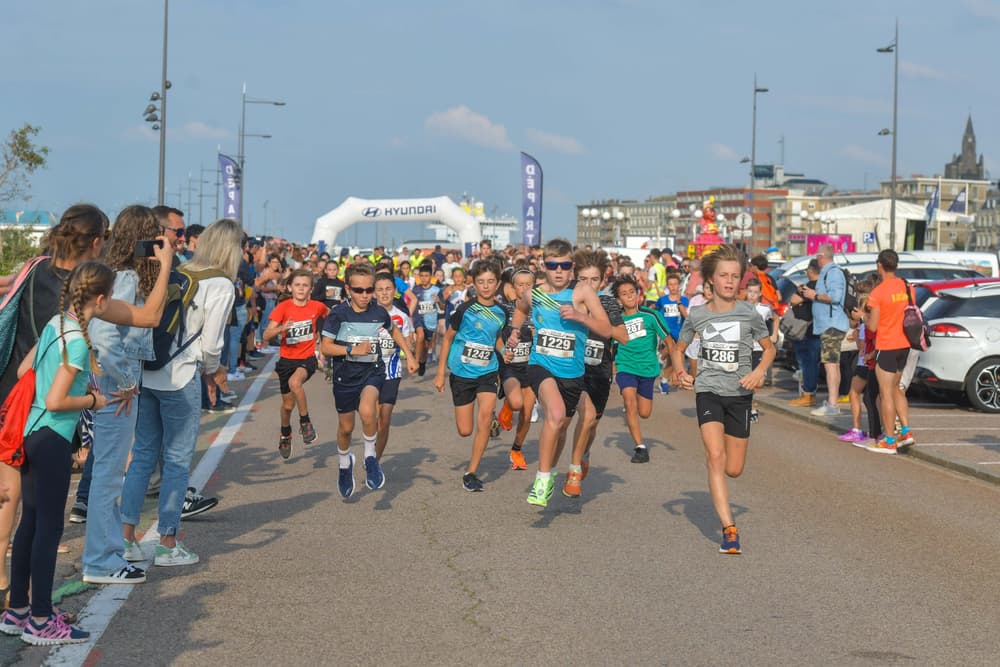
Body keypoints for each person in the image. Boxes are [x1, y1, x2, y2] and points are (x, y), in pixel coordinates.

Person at [0, 204, 172, 606]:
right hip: (54, 418)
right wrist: (164, 266)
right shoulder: (78, 310)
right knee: (44, 520)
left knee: (15, 502)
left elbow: (28, 358)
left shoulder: (37, 274)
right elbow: (148, 317)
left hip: (17, 399)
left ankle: (11, 592)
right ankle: (38, 612)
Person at [0, 261, 114, 644]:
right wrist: (93, 400)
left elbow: (22, 373)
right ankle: (42, 619)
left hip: (31, 434)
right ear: (100, 299)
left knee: (31, 523)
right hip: (51, 438)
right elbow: (56, 399)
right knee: (49, 528)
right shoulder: (77, 341)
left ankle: (17, 610)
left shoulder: (56, 324)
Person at [120, 219, 239, 568]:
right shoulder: (221, 284)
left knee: (143, 456)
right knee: (176, 460)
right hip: (182, 374)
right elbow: (213, 342)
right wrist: (214, 371)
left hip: (148, 370)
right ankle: (168, 543)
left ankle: (126, 538)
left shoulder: (179, 269)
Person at [79, 206, 175, 586]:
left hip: (110, 382)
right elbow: (102, 333)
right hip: (114, 385)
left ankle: (103, 556)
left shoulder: (117, 272)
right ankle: (101, 560)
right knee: (108, 475)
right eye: (153, 234)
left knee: (108, 472)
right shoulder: (126, 276)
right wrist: (123, 381)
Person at [671, 245, 774, 555]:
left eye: (735, 276)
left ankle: (720, 472)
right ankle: (729, 529)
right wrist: (679, 371)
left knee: (734, 469)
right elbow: (678, 349)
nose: (729, 281)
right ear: (711, 280)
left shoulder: (750, 313)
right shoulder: (698, 315)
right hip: (709, 390)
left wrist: (759, 372)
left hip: (740, 395)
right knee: (715, 457)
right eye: (723, 276)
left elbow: (769, 349)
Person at [515, 239, 611, 507]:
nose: (558, 270)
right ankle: (543, 479)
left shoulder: (582, 292)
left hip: (571, 374)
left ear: (572, 267)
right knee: (555, 415)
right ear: (543, 266)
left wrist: (582, 318)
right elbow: (520, 310)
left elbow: (605, 329)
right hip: (540, 365)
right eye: (552, 265)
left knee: (561, 424)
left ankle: (555, 470)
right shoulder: (535, 293)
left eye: (564, 265)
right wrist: (514, 333)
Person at [321, 263, 416, 498]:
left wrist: (410, 355)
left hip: (372, 371)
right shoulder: (338, 315)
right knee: (345, 428)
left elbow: (393, 331)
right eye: (358, 290)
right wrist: (352, 349)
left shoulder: (379, 312)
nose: (364, 295)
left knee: (368, 410)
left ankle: (371, 457)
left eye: (368, 290)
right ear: (348, 289)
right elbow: (325, 347)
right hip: (345, 375)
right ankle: (345, 465)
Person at [433, 260, 509, 491]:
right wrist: (440, 373)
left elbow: (496, 338)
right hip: (462, 373)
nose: (486, 287)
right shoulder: (464, 310)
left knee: (484, 417)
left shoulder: (502, 312)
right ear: (473, 283)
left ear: (497, 283)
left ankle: (472, 472)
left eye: (490, 282)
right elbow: (447, 338)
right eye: (481, 282)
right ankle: (488, 420)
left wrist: (505, 352)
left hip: (487, 371)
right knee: (465, 430)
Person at [563, 251, 627, 497]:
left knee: (591, 422)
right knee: (576, 417)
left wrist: (593, 321)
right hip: (571, 368)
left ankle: (583, 454)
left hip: (599, 370)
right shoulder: (567, 299)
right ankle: (574, 469)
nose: (588, 285)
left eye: (594, 280)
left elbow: (623, 336)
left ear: (602, 282)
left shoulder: (608, 304)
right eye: (583, 279)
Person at [262, 269, 329, 460]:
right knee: (287, 405)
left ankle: (306, 423)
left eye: (305, 285)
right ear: (290, 287)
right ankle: (285, 433)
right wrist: (282, 328)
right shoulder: (283, 308)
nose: (301, 288)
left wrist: (327, 339)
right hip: (286, 360)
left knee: (295, 383)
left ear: (311, 288)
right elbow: (266, 335)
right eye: (297, 285)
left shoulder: (317, 306)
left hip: (307, 358)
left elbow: (332, 316)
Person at [610, 274, 673, 464]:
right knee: (630, 402)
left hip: (647, 368)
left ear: (638, 294)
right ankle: (640, 447)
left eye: (632, 292)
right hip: (626, 366)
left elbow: (670, 342)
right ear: (619, 300)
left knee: (644, 412)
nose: (629, 296)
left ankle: (636, 400)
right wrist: (611, 368)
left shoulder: (651, 315)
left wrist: (676, 370)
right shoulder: (616, 321)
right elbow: (611, 347)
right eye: (624, 294)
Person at [864, 250, 916, 454]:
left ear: (879, 265)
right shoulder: (907, 286)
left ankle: (889, 440)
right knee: (897, 389)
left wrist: (864, 317)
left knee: (885, 394)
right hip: (905, 344)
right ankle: (906, 431)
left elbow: (873, 327)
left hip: (886, 345)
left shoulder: (878, 293)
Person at [799, 244, 849, 416]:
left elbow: (835, 297)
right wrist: (811, 293)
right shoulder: (828, 273)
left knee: (830, 365)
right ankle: (832, 402)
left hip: (832, 325)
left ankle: (832, 405)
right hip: (829, 325)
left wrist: (814, 296)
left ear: (821, 256)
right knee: (832, 364)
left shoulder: (832, 272)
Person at [373, 272, 414, 459]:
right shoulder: (367, 313)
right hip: (368, 370)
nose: (384, 293)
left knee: (385, 418)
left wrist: (411, 356)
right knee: (371, 419)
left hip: (392, 370)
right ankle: (369, 448)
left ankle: (375, 460)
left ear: (395, 292)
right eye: (379, 290)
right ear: (374, 293)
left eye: (388, 289)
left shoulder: (402, 317)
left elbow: (407, 341)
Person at [787, 260, 822, 408]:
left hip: (805, 330)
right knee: (813, 363)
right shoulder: (824, 287)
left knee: (807, 363)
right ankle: (810, 392)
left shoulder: (808, 287)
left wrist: (800, 297)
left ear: (810, 270)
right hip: (817, 329)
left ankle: (808, 394)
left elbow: (793, 300)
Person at [654, 272, 689, 394]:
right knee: (672, 348)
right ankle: (659, 358)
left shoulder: (684, 300)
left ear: (679, 285)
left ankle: (664, 381)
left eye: (675, 284)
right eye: (670, 284)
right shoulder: (662, 300)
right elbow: (655, 309)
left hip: (678, 331)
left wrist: (680, 304)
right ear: (667, 286)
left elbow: (686, 316)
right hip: (665, 330)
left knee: (673, 359)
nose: (673, 287)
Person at [410, 263, 443, 376]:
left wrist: (438, 301)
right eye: (422, 276)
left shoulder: (437, 290)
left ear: (431, 276)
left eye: (426, 275)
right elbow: (412, 304)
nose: (424, 278)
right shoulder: (415, 289)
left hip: (431, 322)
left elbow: (443, 308)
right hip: (418, 318)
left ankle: (422, 362)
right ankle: (416, 361)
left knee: (425, 346)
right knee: (420, 335)